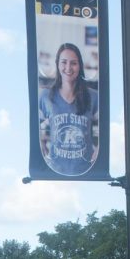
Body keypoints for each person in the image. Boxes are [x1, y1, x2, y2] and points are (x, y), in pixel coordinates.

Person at [38, 42, 98, 176]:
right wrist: (40, 144)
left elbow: (105, 129)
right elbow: (34, 127)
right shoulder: (46, 96)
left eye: (74, 63)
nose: (68, 68)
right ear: (58, 64)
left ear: (80, 66)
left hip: (86, 170)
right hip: (55, 169)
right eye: (64, 62)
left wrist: (100, 148)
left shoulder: (93, 97)